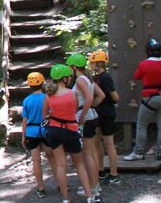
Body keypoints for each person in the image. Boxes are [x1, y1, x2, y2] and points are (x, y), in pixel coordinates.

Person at [44, 64, 97, 203]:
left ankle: (65, 198)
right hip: (70, 129)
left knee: (61, 165)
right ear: (64, 78)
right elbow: (74, 111)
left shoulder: (48, 96)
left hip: (54, 131)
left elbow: (45, 116)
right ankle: (89, 196)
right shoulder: (72, 93)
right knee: (79, 164)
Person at [67, 53, 105, 200]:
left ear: (75, 67)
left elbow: (89, 98)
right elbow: (99, 96)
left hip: (86, 119)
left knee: (87, 154)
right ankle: (95, 186)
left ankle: (92, 188)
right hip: (91, 117)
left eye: (70, 67)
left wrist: (82, 115)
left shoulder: (81, 80)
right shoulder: (88, 79)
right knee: (91, 153)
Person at [89, 50, 120, 184]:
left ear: (99, 63)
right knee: (97, 142)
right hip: (99, 113)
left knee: (109, 143)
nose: (90, 65)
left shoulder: (105, 77)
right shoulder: (97, 78)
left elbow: (115, 97)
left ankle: (114, 173)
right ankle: (100, 170)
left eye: (92, 63)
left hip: (106, 112)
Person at [21, 72, 52, 198]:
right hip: (46, 131)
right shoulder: (47, 98)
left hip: (31, 132)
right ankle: (62, 185)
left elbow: (24, 120)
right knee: (53, 159)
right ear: (42, 83)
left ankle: (41, 188)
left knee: (36, 161)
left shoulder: (27, 100)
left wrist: (23, 136)